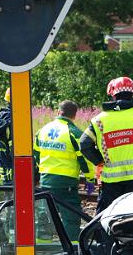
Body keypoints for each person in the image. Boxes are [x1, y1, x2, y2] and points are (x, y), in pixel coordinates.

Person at [80, 76, 133, 214]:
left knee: (105, 219)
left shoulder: (99, 120)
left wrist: (99, 161)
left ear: (113, 96)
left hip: (110, 181)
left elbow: (84, 144)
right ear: (132, 94)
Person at [33, 101, 94, 241]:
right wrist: (90, 180)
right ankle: (72, 250)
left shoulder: (42, 130)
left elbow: (36, 155)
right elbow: (84, 160)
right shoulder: (74, 133)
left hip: (45, 180)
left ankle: (43, 247)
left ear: (58, 112)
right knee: (71, 217)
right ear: (74, 115)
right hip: (66, 183)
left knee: (45, 215)